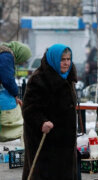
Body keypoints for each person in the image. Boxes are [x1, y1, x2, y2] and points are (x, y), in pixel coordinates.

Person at [22, 44, 78, 180]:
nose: (66, 63)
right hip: (45, 138)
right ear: (53, 59)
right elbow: (29, 108)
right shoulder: (38, 79)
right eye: (62, 59)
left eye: (68, 59)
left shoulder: (67, 77)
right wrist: (41, 122)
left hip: (65, 139)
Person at [0, 41, 31, 141]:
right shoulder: (6, 56)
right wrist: (15, 93)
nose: (21, 63)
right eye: (23, 60)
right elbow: (7, 79)